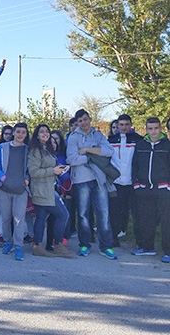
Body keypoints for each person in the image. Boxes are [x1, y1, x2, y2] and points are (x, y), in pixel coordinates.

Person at [66, 109, 117, 259]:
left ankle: (106, 246)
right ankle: (84, 244)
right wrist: (91, 158)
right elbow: (71, 159)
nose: (83, 123)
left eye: (85, 119)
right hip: (81, 180)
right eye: (80, 121)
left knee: (103, 213)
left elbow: (109, 151)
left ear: (90, 119)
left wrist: (87, 150)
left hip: (99, 180)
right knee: (83, 214)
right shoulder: (74, 137)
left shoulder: (98, 135)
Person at [28, 124, 73, 258]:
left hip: (48, 188)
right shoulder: (35, 151)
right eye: (41, 132)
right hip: (42, 190)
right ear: (37, 135)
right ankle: (58, 244)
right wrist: (53, 170)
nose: (45, 134)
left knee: (41, 218)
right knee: (63, 215)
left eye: (47, 131)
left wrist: (58, 169)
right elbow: (33, 172)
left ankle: (37, 246)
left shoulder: (46, 149)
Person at [132, 117, 170, 263]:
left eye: (156, 128)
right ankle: (147, 247)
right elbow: (134, 165)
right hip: (144, 189)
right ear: (146, 129)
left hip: (163, 189)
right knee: (146, 219)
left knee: (166, 222)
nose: (153, 131)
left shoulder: (167, 145)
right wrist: (136, 184)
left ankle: (168, 251)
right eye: (150, 128)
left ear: (160, 129)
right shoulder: (140, 145)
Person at [0, 122, 31, 261]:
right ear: (13, 132)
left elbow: (31, 168)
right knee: (6, 218)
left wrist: (27, 178)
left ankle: (19, 246)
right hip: (4, 189)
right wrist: (2, 177)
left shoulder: (28, 150)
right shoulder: (2, 148)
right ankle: (8, 241)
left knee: (19, 219)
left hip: (21, 190)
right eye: (18, 131)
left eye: (23, 132)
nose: (20, 135)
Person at [108, 114, 142, 247]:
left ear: (131, 125)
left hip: (133, 183)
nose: (124, 127)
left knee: (137, 213)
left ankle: (140, 241)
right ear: (118, 125)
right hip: (117, 183)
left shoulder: (138, 140)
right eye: (121, 125)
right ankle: (113, 238)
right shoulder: (111, 141)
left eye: (127, 124)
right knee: (115, 212)